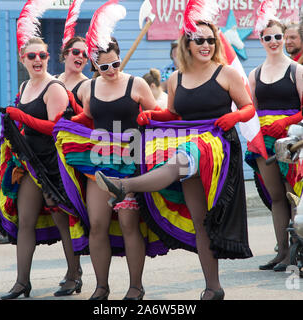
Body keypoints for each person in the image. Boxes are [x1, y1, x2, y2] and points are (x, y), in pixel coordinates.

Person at [95, 15, 255, 299]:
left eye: (210, 39)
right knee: (200, 220)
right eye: (199, 40)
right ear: (187, 43)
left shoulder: (226, 73)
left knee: (183, 157)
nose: (206, 45)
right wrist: (151, 115)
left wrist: (234, 116)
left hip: (216, 144)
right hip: (189, 140)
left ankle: (126, 186)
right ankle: (213, 288)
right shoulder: (175, 78)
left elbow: (248, 109)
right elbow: (174, 114)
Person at [53, 0, 168, 300]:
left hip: (130, 163)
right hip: (99, 163)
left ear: (120, 59)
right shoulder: (88, 88)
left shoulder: (137, 84)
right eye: (104, 66)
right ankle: (101, 287)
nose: (111, 70)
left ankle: (135, 287)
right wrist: (67, 122)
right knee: (97, 226)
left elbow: (159, 117)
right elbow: (89, 117)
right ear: (95, 65)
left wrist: (147, 117)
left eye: (115, 64)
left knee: (130, 224)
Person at [0, 36, 82, 299]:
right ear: (23, 59)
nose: (38, 60)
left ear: (47, 57)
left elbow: (57, 128)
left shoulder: (54, 87)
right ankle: (22, 282)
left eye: (42, 55)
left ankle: (73, 275)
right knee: (26, 222)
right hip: (30, 162)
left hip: (53, 166)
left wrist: (22, 117)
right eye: (32, 56)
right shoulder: (24, 86)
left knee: (63, 221)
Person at [246, 15, 303, 272]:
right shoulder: (254, 73)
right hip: (264, 141)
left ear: (284, 38)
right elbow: (250, 110)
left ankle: (296, 251)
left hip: (291, 139)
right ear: (261, 40)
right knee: (276, 197)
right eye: (267, 37)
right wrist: (256, 135)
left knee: (295, 196)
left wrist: (285, 122)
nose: (273, 41)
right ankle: (281, 252)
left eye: (277, 36)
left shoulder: (296, 70)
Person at [56, 36, 89, 286]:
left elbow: (90, 123)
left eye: (85, 55)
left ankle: (73, 273)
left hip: (74, 160)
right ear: (65, 53)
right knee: (58, 218)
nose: (81, 57)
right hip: (48, 157)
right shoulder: (52, 82)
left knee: (71, 216)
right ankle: (72, 270)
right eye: (76, 51)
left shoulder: (88, 86)